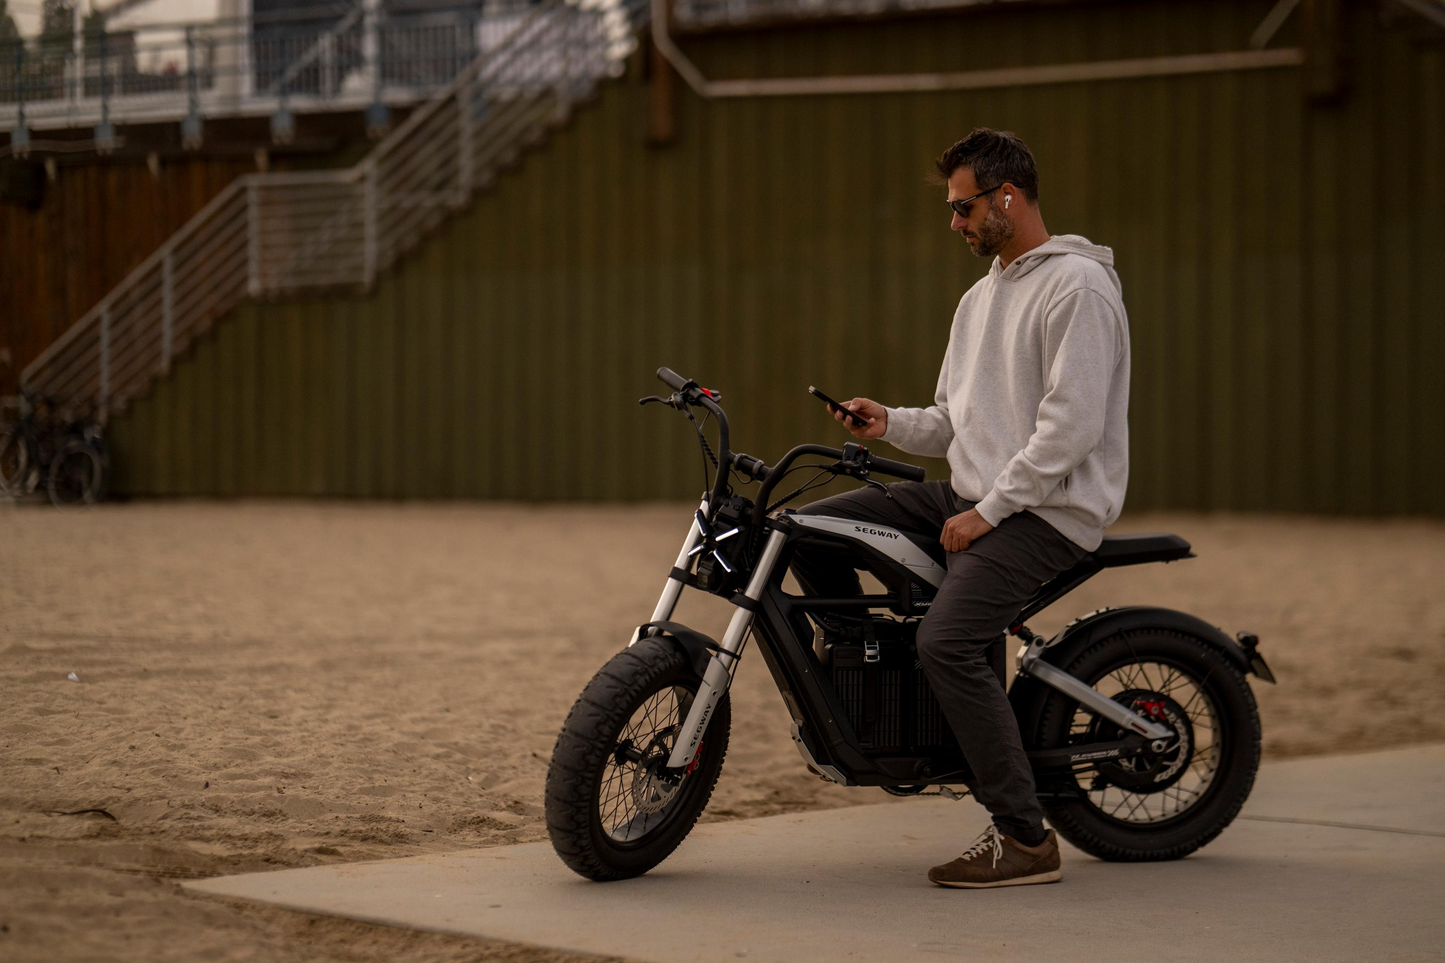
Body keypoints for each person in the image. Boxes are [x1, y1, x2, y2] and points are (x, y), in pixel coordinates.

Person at [790, 127, 1130, 888]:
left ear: (1006, 196)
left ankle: (1024, 836)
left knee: (945, 642)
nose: (955, 223)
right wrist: (891, 423)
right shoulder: (979, 297)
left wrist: (990, 511)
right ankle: (874, 676)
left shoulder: (1076, 287)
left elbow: (1068, 431)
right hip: (973, 488)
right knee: (807, 529)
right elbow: (953, 419)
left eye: (963, 207)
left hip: (1047, 507)